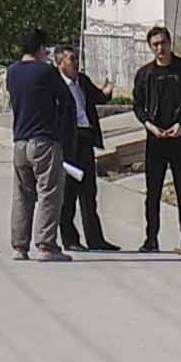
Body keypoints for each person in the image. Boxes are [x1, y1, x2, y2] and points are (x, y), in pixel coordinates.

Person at [0, 34, 81, 259]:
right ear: (40, 49)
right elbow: (66, 100)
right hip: (44, 140)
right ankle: (46, 245)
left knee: (22, 195)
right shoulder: (45, 71)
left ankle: (19, 246)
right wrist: (65, 134)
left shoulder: (12, 71)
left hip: (20, 141)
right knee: (49, 192)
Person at [127, 28, 181, 254]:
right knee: (153, 192)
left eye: (163, 43)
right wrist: (149, 125)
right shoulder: (145, 74)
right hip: (156, 140)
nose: (160, 49)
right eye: (155, 45)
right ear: (151, 47)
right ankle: (151, 238)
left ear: (170, 43)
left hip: (178, 139)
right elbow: (138, 105)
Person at [61, 51, 119, 249]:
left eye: (77, 58)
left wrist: (107, 90)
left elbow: (98, 98)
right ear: (60, 63)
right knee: (68, 192)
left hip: (85, 139)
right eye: (71, 59)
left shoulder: (82, 81)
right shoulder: (56, 85)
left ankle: (95, 239)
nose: (76, 63)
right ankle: (70, 239)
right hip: (68, 142)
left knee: (88, 191)